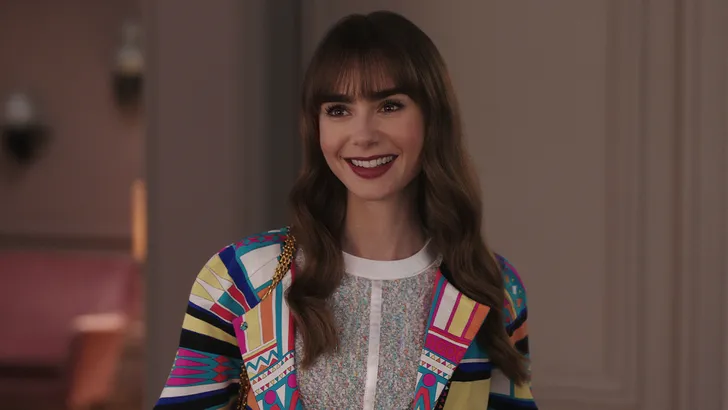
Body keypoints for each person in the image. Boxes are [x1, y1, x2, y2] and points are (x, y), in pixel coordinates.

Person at [154, 10, 537, 410]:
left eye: (390, 105)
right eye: (338, 110)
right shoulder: (240, 278)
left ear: (433, 118)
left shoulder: (491, 287)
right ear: (316, 126)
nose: (363, 135)